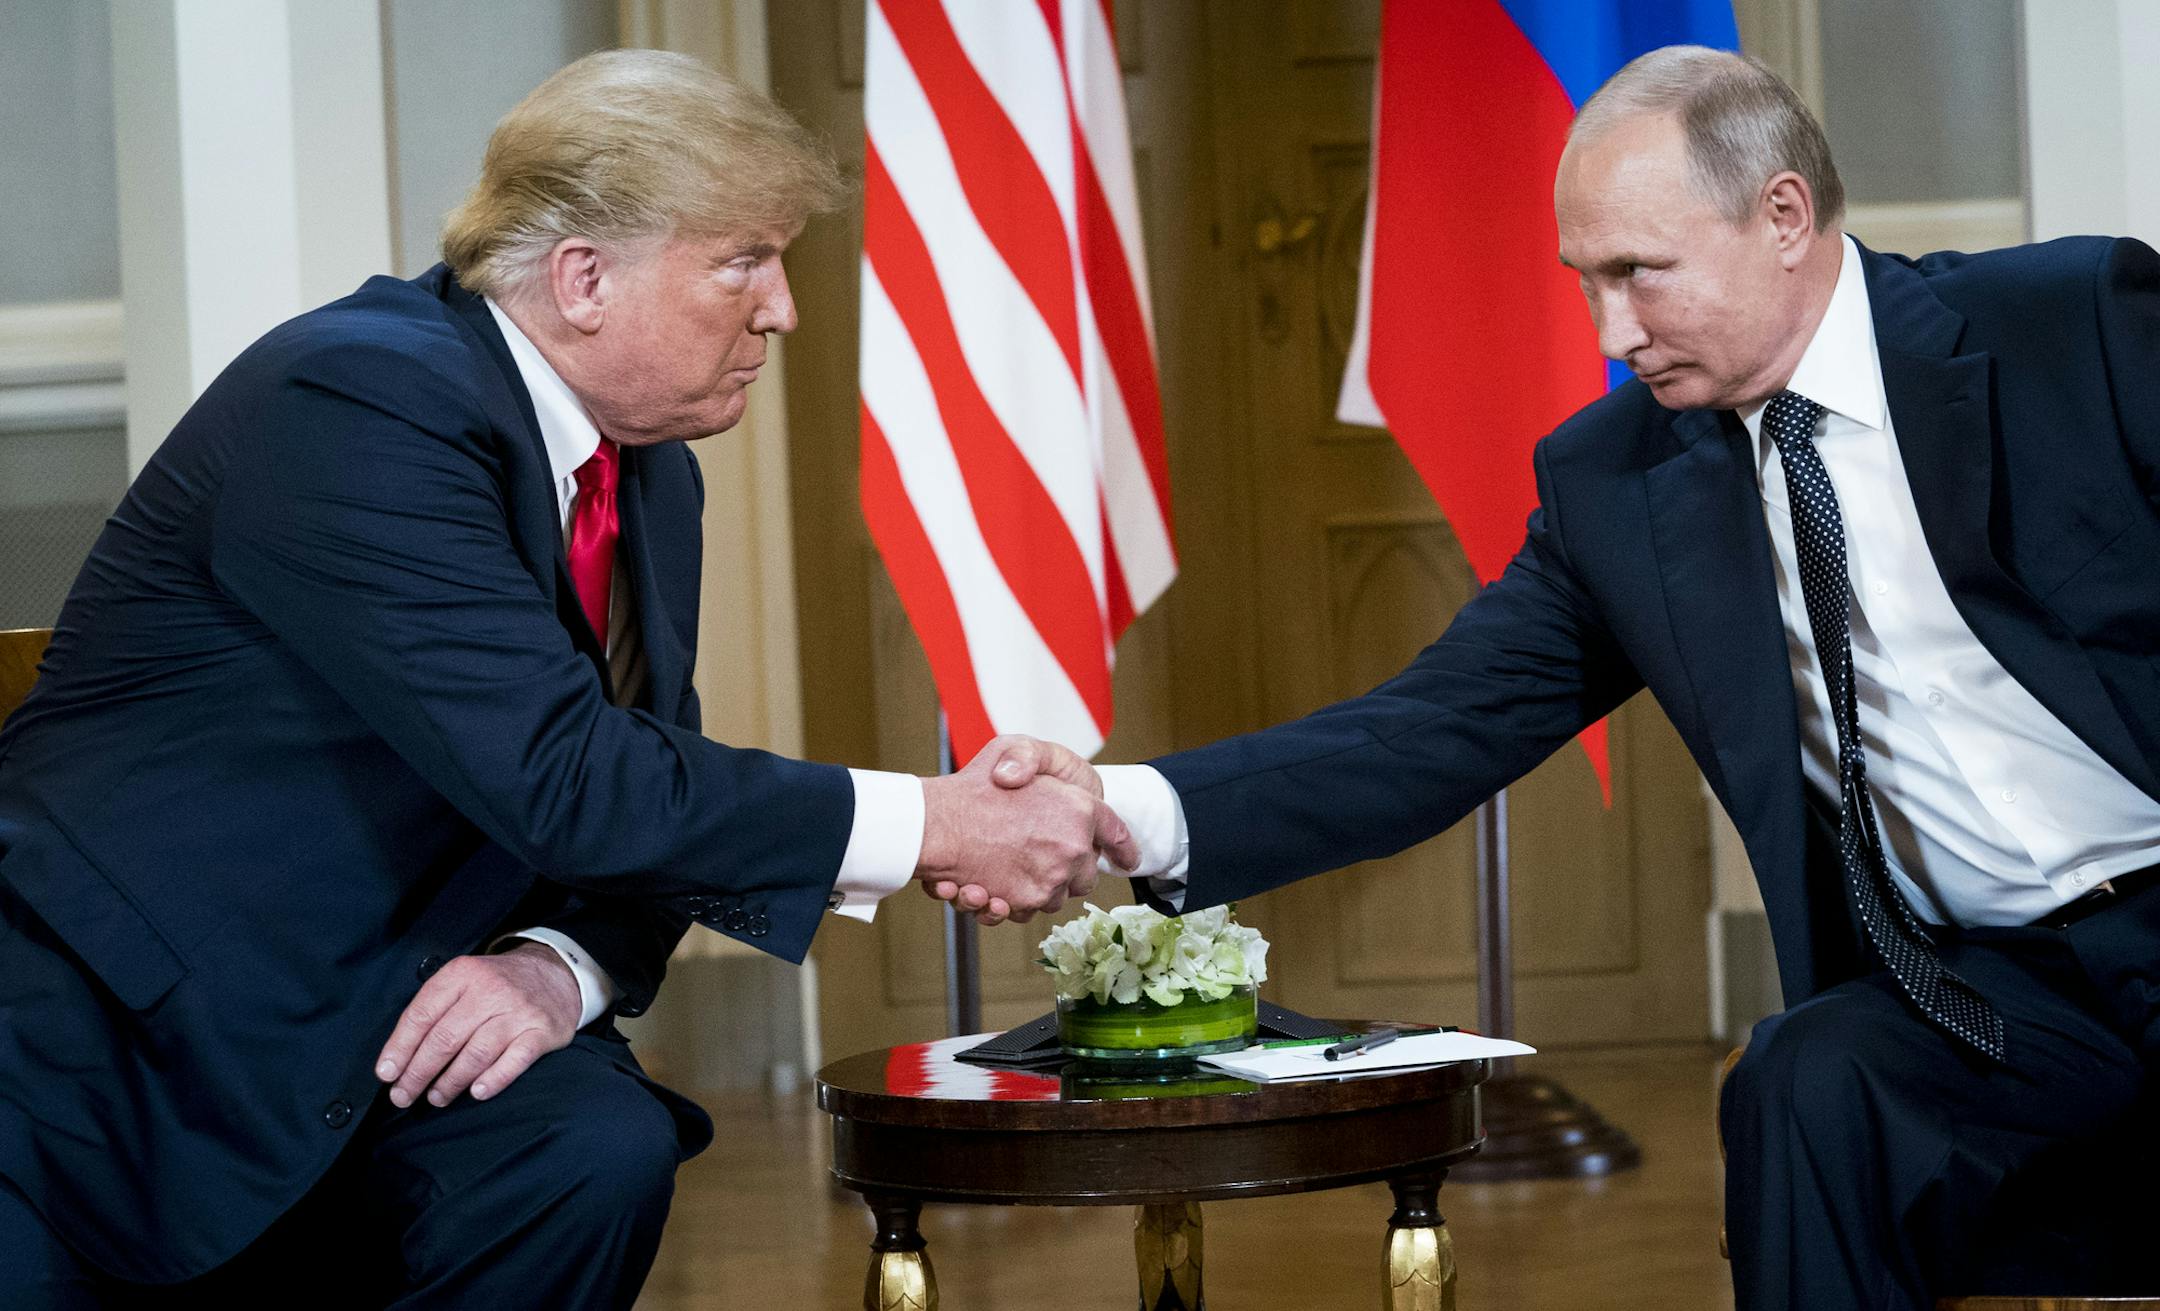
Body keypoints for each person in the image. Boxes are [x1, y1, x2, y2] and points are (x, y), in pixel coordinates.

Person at [952, 45, 2160, 1311]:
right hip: (1989, 988)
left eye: (1641, 275)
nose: (1611, 333)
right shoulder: (1620, 480)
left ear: (1783, 216)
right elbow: (1435, 728)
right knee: (1808, 1080)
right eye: (1587, 284)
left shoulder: (2070, 326)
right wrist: (1115, 806)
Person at [0, 50, 1123, 1308]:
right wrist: (933, 820)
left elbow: (649, 789)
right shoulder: (357, 398)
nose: (782, 309)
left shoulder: (648, 474)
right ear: (583, 278)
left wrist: (558, 965)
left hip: (391, 1005)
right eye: (744, 259)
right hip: (126, 1046)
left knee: (584, 1149)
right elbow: (567, 775)